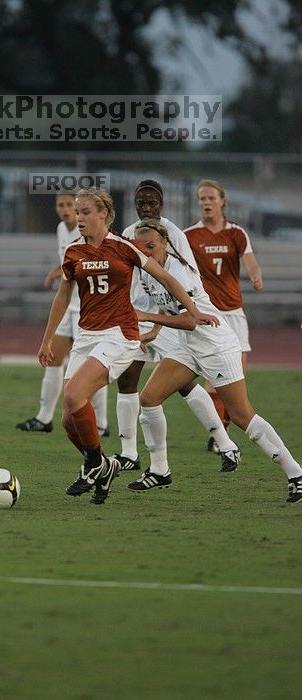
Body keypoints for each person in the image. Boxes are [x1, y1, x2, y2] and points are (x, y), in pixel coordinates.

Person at [37, 188, 219, 505]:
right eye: (77, 212)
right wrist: (47, 338)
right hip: (86, 336)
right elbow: (64, 295)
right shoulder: (72, 251)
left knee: (72, 395)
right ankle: (104, 466)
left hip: (119, 334)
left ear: (104, 214)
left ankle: (95, 464)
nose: (78, 218)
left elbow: (165, 277)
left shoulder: (123, 245)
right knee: (68, 420)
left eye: (85, 212)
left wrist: (193, 311)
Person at [127, 219, 301, 505]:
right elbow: (165, 302)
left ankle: (296, 472)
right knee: (149, 398)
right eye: (140, 246)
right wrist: (155, 331)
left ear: (165, 244)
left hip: (215, 345)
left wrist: (147, 318)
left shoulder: (179, 271)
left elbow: (191, 321)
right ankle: (160, 470)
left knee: (242, 416)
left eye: (151, 246)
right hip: (189, 347)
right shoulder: (147, 271)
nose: (145, 251)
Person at [112, 180, 241, 474]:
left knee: (182, 383)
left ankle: (225, 443)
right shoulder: (129, 234)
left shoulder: (173, 234)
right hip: (138, 314)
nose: (146, 207)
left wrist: (173, 319)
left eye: (152, 202)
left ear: (162, 205)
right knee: (127, 378)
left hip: (169, 317)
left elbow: (183, 278)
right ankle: (129, 453)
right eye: (141, 203)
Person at [16, 193, 109, 436]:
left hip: (88, 308)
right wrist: (56, 272)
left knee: (92, 368)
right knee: (53, 359)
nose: (67, 210)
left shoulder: (88, 231)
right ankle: (44, 418)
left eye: (71, 205)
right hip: (68, 305)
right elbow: (69, 263)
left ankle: (101, 423)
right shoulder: (61, 229)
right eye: (62, 205)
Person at [184, 179, 263, 453]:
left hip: (234, 313)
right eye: (202, 198)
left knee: (236, 376)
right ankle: (219, 437)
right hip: (208, 315)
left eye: (211, 198)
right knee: (214, 377)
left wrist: (255, 275)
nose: (206, 203)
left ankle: (223, 432)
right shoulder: (189, 235)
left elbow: (250, 259)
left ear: (222, 201)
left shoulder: (237, 234)